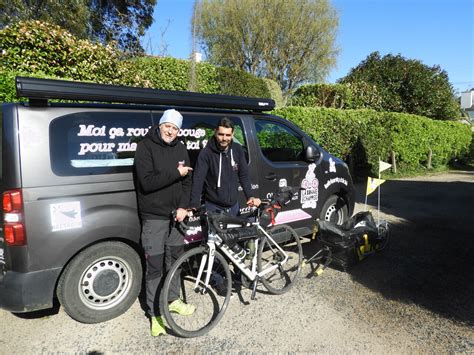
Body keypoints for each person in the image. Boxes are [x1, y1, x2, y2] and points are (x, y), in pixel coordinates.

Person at [134, 109, 195, 337]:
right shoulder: (145, 147)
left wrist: (184, 207)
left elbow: (187, 179)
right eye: (167, 126)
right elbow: (147, 182)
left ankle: (173, 300)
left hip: (176, 216)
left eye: (175, 128)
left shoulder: (180, 147)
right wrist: (175, 172)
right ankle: (155, 314)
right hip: (154, 217)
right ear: (160, 125)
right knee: (155, 267)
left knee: (176, 261)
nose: (170, 131)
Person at [190, 117, 261, 214]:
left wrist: (250, 196)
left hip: (234, 206)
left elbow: (243, 175)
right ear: (215, 132)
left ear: (232, 134)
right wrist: (194, 203)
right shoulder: (206, 153)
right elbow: (198, 179)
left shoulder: (237, 149)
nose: (224, 138)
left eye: (228, 135)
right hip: (213, 207)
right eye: (221, 134)